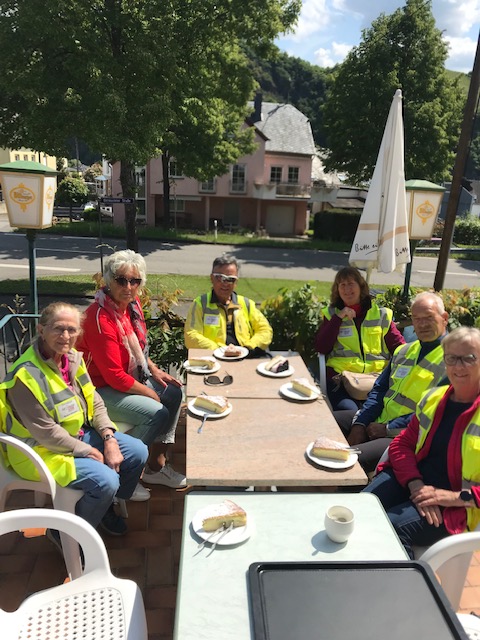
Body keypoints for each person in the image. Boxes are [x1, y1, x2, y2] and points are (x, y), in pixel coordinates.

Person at [0, 302, 148, 537]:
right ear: (41, 330)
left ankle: (102, 506)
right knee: (106, 480)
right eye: (58, 328)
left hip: (77, 434)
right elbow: (46, 433)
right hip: (39, 451)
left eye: (72, 329)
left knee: (138, 452)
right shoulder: (25, 376)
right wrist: (88, 451)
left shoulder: (72, 359)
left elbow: (94, 400)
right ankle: (62, 534)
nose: (66, 336)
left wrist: (108, 438)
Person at [363, 326, 480, 559]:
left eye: (469, 358)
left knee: (391, 529)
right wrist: (415, 484)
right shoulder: (433, 398)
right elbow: (401, 444)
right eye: (451, 358)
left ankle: (403, 582)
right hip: (412, 480)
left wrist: (449, 497)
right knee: (361, 507)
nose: (458, 366)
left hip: (458, 505)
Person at [76, 249, 186, 489]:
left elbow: (139, 351)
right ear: (109, 280)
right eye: (121, 280)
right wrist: (149, 393)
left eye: (134, 281)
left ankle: (155, 467)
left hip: (123, 378)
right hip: (95, 390)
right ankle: (126, 474)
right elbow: (114, 376)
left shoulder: (131, 307)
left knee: (174, 393)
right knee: (157, 412)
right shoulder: (100, 318)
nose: (128, 287)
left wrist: (154, 369)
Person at [346, 291, 449, 472]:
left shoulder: (454, 362)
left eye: (429, 317)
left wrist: (388, 428)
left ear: (444, 318)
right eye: (417, 318)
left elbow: (436, 413)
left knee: (347, 461)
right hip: (378, 421)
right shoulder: (403, 351)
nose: (422, 324)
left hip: (405, 436)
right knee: (324, 421)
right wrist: (360, 424)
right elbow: (379, 390)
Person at [314, 266, 404, 411]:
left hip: (377, 380)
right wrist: (338, 318)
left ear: (361, 287)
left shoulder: (381, 315)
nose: (347, 289)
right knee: (349, 412)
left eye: (351, 284)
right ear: (337, 290)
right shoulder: (332, 315)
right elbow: (321, 347)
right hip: (341, 381)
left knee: (380, 412)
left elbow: (400, 348)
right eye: (342, 285)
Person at [184, 255, 273, 354]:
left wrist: (248, 348)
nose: (225, 283)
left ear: (236, 282)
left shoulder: (247, 304)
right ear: (211, 278)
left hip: (243, 357)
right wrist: (220, 350)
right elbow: (191, 335)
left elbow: (265, 330)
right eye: (220, 278)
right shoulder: (200, 304)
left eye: (230, 279)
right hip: (212, 358)